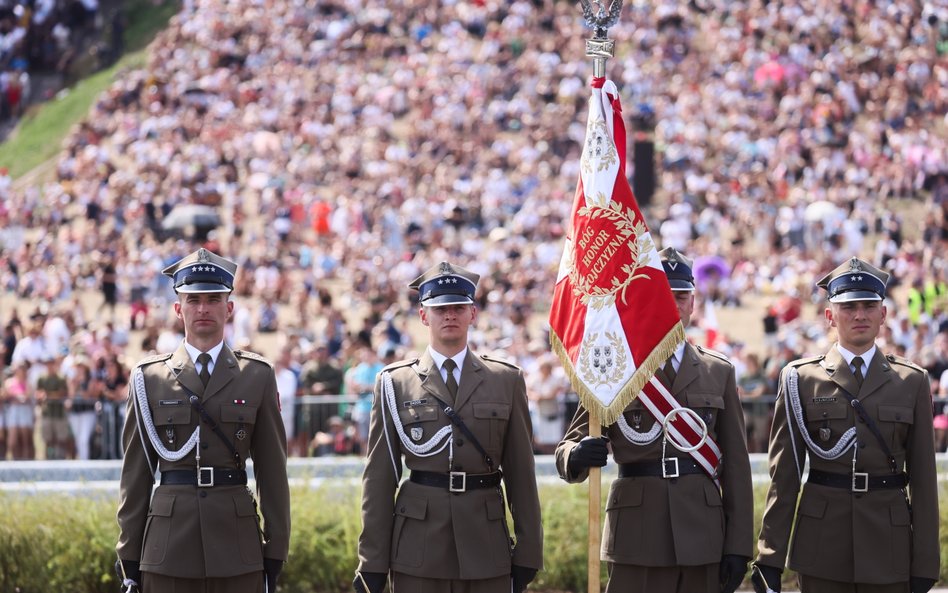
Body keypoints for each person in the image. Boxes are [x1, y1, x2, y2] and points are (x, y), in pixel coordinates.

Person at [555, 247, 754, 593]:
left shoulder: (718, 371)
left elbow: (736, 465)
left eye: (681, 296)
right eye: (662, 295)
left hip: (702, 535)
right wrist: (576, 455)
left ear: (693, 303)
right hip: (636, 536)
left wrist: (738, 546)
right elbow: (567, 446)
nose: (673, 304)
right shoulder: (614, 368)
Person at [752, 257, 940, 593]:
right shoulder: (801, 379)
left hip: (889, 545)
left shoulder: (911, 381)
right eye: (848, 306)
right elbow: (785, 477)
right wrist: (769, 557)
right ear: (829, 316)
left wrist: (926, 561)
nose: (859, 315)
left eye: (869, 306)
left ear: (883, 315)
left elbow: (925, 482)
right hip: (823, 546)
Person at [354, 261, 543, 593]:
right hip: (419, 547)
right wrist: (372, 560)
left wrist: (529, 551)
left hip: (486, 546)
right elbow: (380, 479)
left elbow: (521, 475)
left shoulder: (506, 380)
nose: (449, 315)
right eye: (440, 308)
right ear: (424, 316)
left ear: (473, 314)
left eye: (458, 307)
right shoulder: (395, 383)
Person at [115, 248, 290, 593]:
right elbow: (135, 476)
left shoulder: (256, 376)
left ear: (229, 308)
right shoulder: (148, 378)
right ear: (179, 309)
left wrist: (275, 551)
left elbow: (273, 473)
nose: (203, 308)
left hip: (237, 547)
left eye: (213, 299)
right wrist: (129, 559)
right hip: (167, 549)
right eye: (193, 300)